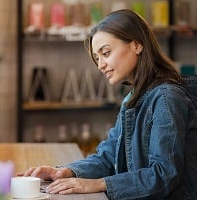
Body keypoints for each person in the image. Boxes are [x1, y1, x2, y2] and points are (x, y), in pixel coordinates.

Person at [18, 9, 197, 199]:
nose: (100, 64)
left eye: (106, 53)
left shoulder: (167, 97)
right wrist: (64, 172)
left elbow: (163, 175)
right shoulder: (134, 97)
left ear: (137, 45)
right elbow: (109, 156)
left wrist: (96, 184)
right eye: (97, 58)